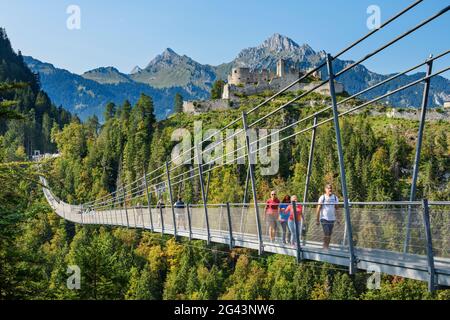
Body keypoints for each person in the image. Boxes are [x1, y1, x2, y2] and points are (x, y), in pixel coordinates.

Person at [316, 184, 339, 249]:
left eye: (331, 188)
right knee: (326, 232)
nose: (330, 189)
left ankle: (326, 246)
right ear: (325, 189)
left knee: (329, 234)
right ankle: (325, 247)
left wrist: (338, 218)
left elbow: (337, 208)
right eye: (328, 188)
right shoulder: (322, 197)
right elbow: (318, 208)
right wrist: (317, 220)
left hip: (332, 219)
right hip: (324, 218)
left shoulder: (335, 197)